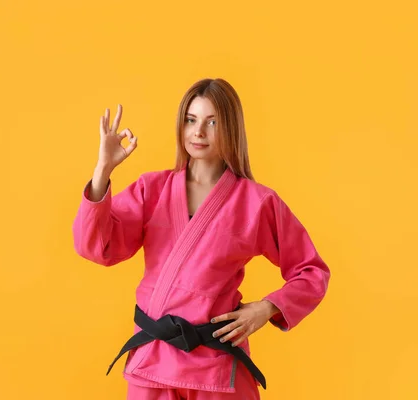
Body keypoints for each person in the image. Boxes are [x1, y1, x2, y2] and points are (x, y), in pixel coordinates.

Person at [72, 78, 331, 399]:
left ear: (231, 128)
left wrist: (267, 308)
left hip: (215, 368)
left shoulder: (257, 202)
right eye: (191, 120)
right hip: (152, 362)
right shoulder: (151, 189)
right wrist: (103, 170)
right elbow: (97, 247)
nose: (199, 132)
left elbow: (311, 271)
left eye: (212, 122)